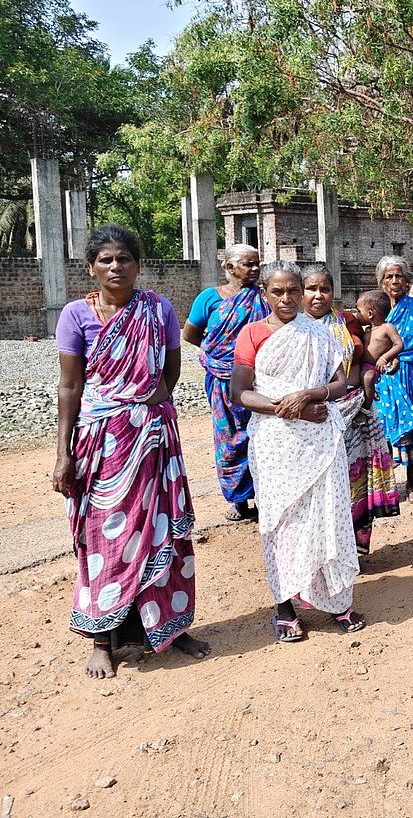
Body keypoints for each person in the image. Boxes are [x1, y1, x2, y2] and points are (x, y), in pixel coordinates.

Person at [53, 225, 210, 678]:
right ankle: (102, 641)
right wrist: (64, 453)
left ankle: (172, 628)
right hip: (101, 444)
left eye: (124, 258)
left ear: (138, 265)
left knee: (164, 532)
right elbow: (70, 387)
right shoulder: (75, 316)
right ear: (91, 268)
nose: (115, 266)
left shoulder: (158, 309)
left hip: (153, 441)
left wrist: (145, 405)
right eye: (105, 260)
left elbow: (170, 372)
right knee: (105, 538)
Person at [232, 261, 365, 641]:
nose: (287, 298)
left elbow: (341, 383)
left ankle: (337, 601)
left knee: (328, 516)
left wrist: (311, 394)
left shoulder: (319, 332)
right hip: (275, 442)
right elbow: (239, 392)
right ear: (265, 294)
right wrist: (290, 409)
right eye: (278, 291)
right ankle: (285, 606)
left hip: (321, 439)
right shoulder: (252, 333)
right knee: (281, 522)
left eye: (293, 290)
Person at [302, 266, 400, 556]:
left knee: (353, 479)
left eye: (325, 289)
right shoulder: (292, 327)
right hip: (313, 413)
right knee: (319, 483)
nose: (319, 295)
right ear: (301, 292)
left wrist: (385, 364)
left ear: (333, 292)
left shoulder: (347, 321)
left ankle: (352, 545)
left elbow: (369, 353)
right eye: (311, 289)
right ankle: (321, 548)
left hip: (355, 409)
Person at [183, 243, 268, 522]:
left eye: (257, 263)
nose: (255, 269)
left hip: (258, 379)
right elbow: (191, 334)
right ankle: (239, 500)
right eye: (248, 264)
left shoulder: (265, 297)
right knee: (228, 438)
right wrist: (219, 354)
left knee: (261, 436)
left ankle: (264, 496)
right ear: (230, 267)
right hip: (221, 382)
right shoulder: (209, 298)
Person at [374, 256, 413, 503]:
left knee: (411, 429)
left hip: (410, 375)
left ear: (407, 281)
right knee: (382, 430)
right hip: (382, 378)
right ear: (381, 281)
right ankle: (385, 486)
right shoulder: (375, 308)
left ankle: (412, 484)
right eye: (389, 276)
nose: (394, 280)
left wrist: (399, 358)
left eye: (399, 276)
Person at [356, 290, 404, 397]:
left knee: (368, 378)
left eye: (358, 311)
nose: (356, 315)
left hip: (373, 366)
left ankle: (367, 404)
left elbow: (399, 344)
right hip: (361, 365)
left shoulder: (387, 327)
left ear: (370, 314)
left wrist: (385, 358)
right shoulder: (368, 330)